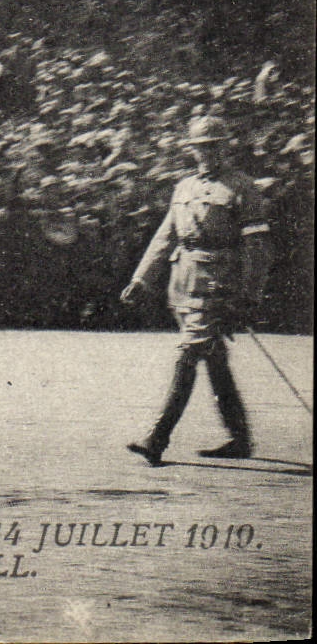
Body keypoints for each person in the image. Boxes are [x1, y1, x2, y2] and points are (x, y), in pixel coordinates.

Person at [120, 116, 271, 466]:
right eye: (200, 147)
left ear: (224, 147)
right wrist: (141, 279)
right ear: (192, 150)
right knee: (213, 359)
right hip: (183, 283)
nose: (207, 153)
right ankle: (239, 439)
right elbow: (166, 236)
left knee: (188, 353)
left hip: (219, 285)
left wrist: (249, 295)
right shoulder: (184, 187)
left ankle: (156, 438)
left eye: (213, 146)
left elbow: (258, 247)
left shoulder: (241, 187)